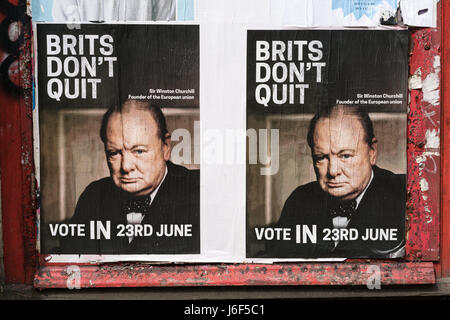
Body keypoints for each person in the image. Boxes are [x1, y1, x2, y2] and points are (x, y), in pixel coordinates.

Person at [59, 99, 200, 254]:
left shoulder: (200, 191)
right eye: (114, 153)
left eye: (139, 151)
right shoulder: (94, 196)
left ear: (165, 147)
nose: (126, 166)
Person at [270, 104, 405, 258]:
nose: (333, 171)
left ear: (371, 152)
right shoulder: (299, 200)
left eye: (345, 156)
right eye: (321, 157)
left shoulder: (404, 194)